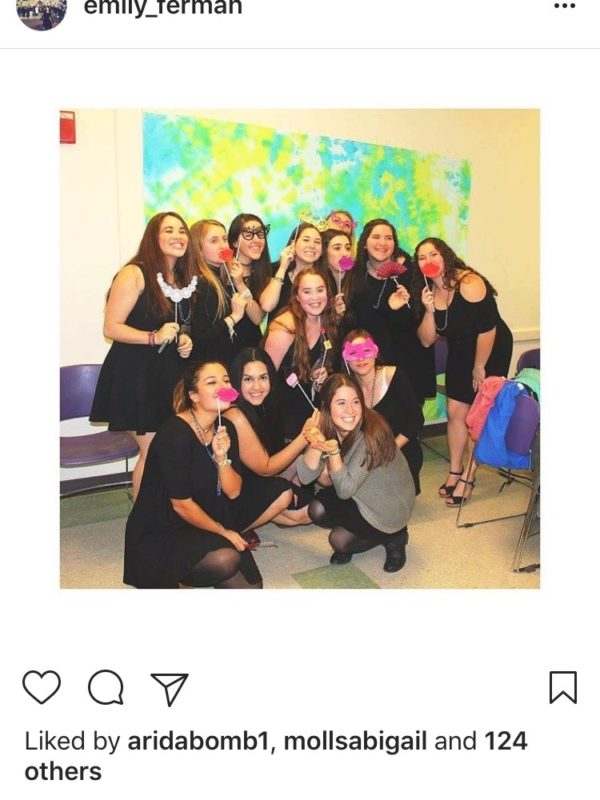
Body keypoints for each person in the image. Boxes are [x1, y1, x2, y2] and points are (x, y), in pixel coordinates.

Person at [123, 361, 293, 589]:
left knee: (252, 588)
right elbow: (181, 505)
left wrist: (222, 458)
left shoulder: (224, 428)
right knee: (226, 559)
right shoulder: (175, 434)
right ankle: (177, 577)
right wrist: (223, 532)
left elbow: (233, 492)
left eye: (226, 380)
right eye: (211, 382)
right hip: (164, 528)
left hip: (205, 516)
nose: (222, 386)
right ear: (193, 395)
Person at [90, 212, 196, 499]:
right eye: (169, 230)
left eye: (182, 231)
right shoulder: (134, 274)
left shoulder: (180, 279)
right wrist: (153, 337)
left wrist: (184, 338)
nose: (178, 236)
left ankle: (159, 513)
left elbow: (180, 322)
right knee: (153, 451)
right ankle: (144, 519)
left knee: (165, 450)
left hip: (167, 376)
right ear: (153, 237)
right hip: (136, 377)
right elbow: (111, 327)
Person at [415, 237, 513, 505]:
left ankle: (469, 476)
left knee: (478, 414)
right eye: (422, 258)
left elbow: (488, 329)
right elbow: (426, 340)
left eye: (433, 254)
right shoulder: (428, 291)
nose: (428, 261)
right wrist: (428, 311)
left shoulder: (469, 283)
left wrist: (479, 367)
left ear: (445, 255)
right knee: (455, 411)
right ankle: (455, 470)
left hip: (490, 347)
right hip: (460, 349)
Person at [297, 373, 415, 573]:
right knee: (316, 509)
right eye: (341, 403)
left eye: (355, 402)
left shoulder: (372, 433)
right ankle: (365, 530)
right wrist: (316, 443)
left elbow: (344, 491)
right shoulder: (330, 425)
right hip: (360, 492)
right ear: (327, 407)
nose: (350, 411)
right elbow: (305, 477)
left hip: (390, 506)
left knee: (339, 540)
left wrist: (333, 452)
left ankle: (395, 536)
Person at [345, 218, 436, 404]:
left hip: (406, 362)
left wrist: (399, 308)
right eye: (376, 237)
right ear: (364, 243)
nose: (382, 243)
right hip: (369, 362)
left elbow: (415, 323)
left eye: (388, 238)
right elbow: (356, 322)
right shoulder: (355, 275)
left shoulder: (409, 272)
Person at [225, 348, 319, 525]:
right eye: (248, 379)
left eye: (263, 377)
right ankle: (234, 528)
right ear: (237, 381)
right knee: (292, 504)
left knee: (310, 510)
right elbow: (265, 468)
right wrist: (304, 437)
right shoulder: (235, 415)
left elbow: (273, 456)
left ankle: (271, 508)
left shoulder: (266, 404)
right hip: (235, 492)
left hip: (258, 480)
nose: (257, 387)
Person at [343, 329, 424, 494]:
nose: (360, 358)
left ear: (375, 353)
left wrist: (392, 448)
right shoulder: (347, 387)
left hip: (401, 451)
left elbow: (416, 418)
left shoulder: (394, 376)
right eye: (353, 353)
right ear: (346, 359)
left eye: (366, 351)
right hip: (365, 456)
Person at [263, 267, 338, 439]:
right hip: (283, 420)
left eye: (320, 290)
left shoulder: (325, 321)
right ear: (297, 296)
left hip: (312, 415)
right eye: (307, 292)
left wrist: (322, 376)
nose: (315, 297)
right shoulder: (284, 329)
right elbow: (266, 378)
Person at [189, 219, 262, 367]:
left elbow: (257, 318)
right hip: (218, 370)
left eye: (224, 239)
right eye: (214, 241)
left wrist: (239, 283)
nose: (223, 245)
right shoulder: (202, 284)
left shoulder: (224, 278)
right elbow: (201, 341)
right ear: (198, 249)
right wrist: (234, 316)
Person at [259, 222, 326, 316]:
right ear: (293, 244)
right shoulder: (273, 269)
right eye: (306, 240)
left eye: (317, 242)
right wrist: (282, 268)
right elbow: (267, 306)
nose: (312, 246)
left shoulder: (325, 276)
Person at [321, 227, 355, 321]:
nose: (345, 253)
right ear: (324, 252)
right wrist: (335, 317)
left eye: (348, 248)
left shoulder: (358, 279)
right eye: (337, 248)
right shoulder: (316, 280)